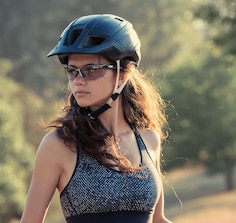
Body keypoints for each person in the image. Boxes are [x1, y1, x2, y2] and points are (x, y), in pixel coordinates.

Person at [20, 14, 172, 223]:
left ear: (122, 73)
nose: (78, 81)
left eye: (90, 70)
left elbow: (158, 220)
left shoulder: (148, 140)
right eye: (72, 71)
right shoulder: (59, 145)